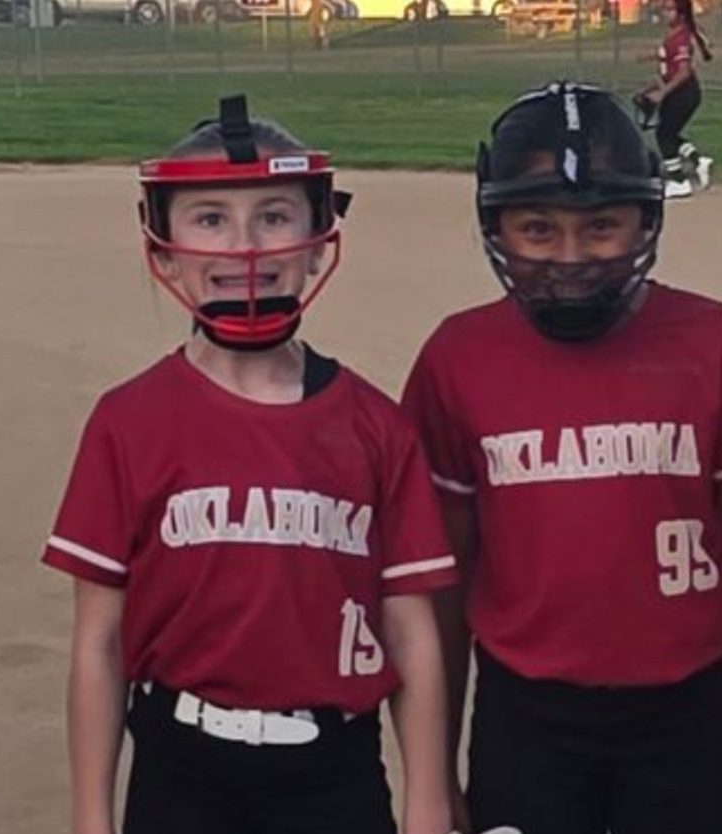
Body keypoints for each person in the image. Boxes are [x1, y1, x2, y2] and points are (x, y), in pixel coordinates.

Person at [404, 81, 722, 834]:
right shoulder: (456, 358)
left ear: (646, 220)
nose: (570, 257)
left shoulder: (710, 341)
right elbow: (445, 585)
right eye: (538, 229)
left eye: (601, 226)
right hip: (526, 713)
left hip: (685, 710)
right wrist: (434, 782)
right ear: (495, 225)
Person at [43, 95, 457, 834]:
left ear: (316, 240)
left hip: (333, 771)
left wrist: (426, 804)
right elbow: (99, 642)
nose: (246, 248)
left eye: (273, 216)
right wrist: (89, 819)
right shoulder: (126, 421)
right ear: (164, 247)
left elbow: (411, 633)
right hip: (181, 766)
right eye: (210, 219)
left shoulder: (376, 427)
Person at [637, 0, 715, 199]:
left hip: (684, 93)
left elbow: (684, 72)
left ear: (681, 14)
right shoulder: (673, 35)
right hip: (678, 92)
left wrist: (662, 93)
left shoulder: (680, 36)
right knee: (669, 133)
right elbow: (668, 69)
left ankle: (678, 181)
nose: (664, 13)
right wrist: (652, 87)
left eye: (670, 9)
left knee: (664, 134)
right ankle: (698, 162)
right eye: (663, 8)